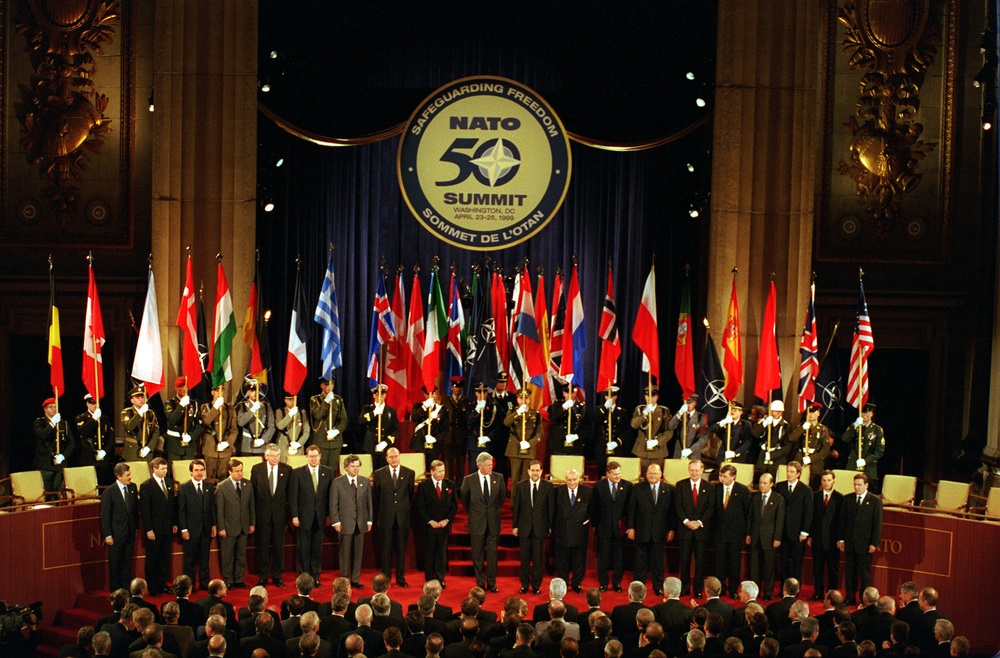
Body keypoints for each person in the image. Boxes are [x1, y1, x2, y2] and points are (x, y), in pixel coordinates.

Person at [460, 452, 506, 592]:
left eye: (491, 464)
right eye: (487, 465)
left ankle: (491, 583)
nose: (490, 467)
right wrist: (475, 513)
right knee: (477, 556)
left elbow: (501, 498)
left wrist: (491, 512)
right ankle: (480, 583)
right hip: (476, 523)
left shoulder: (499, 478)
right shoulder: (469, 480)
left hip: (493, 523)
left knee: (492, 556)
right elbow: (465, 499)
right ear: (479, 465)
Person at [627, 463, 675, 595]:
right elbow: (631, 510)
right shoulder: (637, 488)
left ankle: (658, 587)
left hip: (660, 532)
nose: (652, 475)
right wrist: (630, 527)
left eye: (655, 473)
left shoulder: (669, 490)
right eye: (650, 473)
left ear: (661, 474)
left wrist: (672, 529)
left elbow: (672, 513)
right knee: (639, 562)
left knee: (658, 563)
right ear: (645, 475)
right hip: (641, 531)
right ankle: (638, 589)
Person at [290, 444, 334, 585]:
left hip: (320, 518)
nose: (313, 459)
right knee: (303, 549)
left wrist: (329, 515)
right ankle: (304, 578)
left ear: (320, 456)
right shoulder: (297, 473)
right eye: (311, 456)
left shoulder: (328, 472)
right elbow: (293, 497)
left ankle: (315, 577)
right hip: (303, 518)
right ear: (306, 457)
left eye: (316, 456)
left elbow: (329, 497)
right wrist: (295, 516)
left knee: (317, 549)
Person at [838, 473, 883, 606]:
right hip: (850, 543)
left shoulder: (875, 501)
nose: (856, 487)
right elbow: (842, 522)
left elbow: (877, 524)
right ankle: (850, 598)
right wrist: (841, 539)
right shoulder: (848, 499)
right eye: (855, 484)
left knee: (864, 575)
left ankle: (866, 600)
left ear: (866, 485)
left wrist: (874, 543)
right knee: (850, 573)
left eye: (859, 485)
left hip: (865, 544)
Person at [372, 446, 415, 587]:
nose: (394, 459)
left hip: (402, 518)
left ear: (399, 456)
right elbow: (377, 497)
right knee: (386, 550)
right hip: (386, 518)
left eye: (396, 456)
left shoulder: (409, 473)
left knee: (401, 550)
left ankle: (401, 578)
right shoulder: (379, 474)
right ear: (386, 459)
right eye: (391, 457)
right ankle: (386, 580)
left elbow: (410, 494)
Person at [251, 442, 292, 587]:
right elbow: (253, 494)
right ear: (266, 456)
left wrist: (289, 516)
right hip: (262, 516)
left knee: (278, 547)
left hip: (280, 517)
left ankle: (277, 576)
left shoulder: (287, 470)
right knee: (262, 547)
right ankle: (263, 576)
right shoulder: (257, 470)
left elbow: (289, 495)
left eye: (278, 456)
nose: (276, 458)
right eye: (273, 456)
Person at [512, 459, 554, 595]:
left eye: (538, 470)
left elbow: (550, 509)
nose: (535, 473)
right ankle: (524, 584)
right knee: (524, 559)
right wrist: (515, 526)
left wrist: (549, 526)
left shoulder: (548, 486)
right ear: (528, 471)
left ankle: (536, 585)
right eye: (533, 470)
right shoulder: (520, 486)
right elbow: (516, 507)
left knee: (538, 559)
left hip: (540, 528)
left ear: (541, 472)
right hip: (524, 527)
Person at [330, 454, 373, 586]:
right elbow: (333, 504)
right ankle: (344, 580)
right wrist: (336, 521)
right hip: (344, 523)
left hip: (361, 523)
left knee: (358, 553)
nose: (355, 469)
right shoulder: (337, 482)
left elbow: (368, 503)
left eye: (357, 466)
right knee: (345, 553)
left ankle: (355, 580)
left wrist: (369, 520)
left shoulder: (365, 481)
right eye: (352, 466)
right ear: (346, 468)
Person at [415, 459, 458, 586]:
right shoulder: (424, 486)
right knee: (429, 553)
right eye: (439, 471)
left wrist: (447, 520)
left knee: (441, 553)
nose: (442, 473)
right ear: (432, 472)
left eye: (443, 470)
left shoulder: (450, 485)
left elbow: (454, 506)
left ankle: (440, 579)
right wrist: (430, 521)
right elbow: (420, 506)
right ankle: (429, 579)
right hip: (430, 526)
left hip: (444, 526)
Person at [591, 460, 632, 593]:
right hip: (603, 528)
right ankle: (603, 583)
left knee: (619, 558)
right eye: (615, 474)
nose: (618, 477)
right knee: (603, 558)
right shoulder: (598, 486)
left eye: (619, 474)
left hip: (620, 528)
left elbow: (629, 509)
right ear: (607, 474)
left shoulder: (627, 486)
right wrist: (594, 526)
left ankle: (617, 583)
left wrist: (629, 526)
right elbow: (594, 507)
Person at [675, 459, 713, 598]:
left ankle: (698, 589)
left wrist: (699, 522)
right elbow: (677, 506)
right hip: (685, 530)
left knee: (700, 562)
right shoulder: (680, 485)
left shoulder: (709, 487)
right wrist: (686, 521)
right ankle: (684, 588)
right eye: (692, 470)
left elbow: (711, 508)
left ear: (702, 470)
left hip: (701, 531)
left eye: (697, 470)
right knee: (684, 561)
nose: (694, 473)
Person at [176, 459, 216, 592]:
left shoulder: (209, 486)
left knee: (205, 560)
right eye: (196, 470)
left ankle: (205, 584)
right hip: (191, 530)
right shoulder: (184, 488)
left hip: (206, 529)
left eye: (201, 470)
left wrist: (213, 525)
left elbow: (212, 508)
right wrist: (184, 529)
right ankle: (189, 585)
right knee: (189, 561)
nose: (199, 473)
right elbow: (181, 511)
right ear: (191, 472)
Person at [139, 457, 177, 595]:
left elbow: (172, 505)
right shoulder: (146, 485)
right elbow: (145, 510)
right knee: (153, 559)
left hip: (167, 528)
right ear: (154, 469)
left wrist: (173, 523)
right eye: (162, 468)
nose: (165, 471)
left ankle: (162, 584)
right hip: (154, 529)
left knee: (164, 558)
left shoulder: (168, 482)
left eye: (166, 468)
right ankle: (153, 587)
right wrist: (149, 529)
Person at [714, 464, 751, 598]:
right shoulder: (716, 488)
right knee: (719, 563)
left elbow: (747, 513)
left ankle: (733, 589)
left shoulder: (742, 490)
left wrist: (746, 532)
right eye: (721, 475)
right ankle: (720, 588)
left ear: (733, 477)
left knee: (734, 562)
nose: (722, 478)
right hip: (719, 532)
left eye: (725, 476)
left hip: (736, 533)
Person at [216, 458, 255, 588]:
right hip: (228, 527)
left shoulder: (247, 484)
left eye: (241, 471)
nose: (240, 473)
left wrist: (252, 523)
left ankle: (239, 579)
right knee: (227, 556)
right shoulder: (222, 487)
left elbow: (251, 507)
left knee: (241, 555)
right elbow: (219, 510)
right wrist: (221, 527)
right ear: (229, 472)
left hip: (244, 526)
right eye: (237, 471)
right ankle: (228, 580)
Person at [101, 462, 140, 591]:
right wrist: (108, 535)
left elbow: (134, 511)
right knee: (115, 565)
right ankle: (116, 592)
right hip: (115, 535)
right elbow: (105, 516)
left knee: (127, 564)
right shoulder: (109, 492)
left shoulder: (132, 488)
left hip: (129, 533)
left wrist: (135, 529)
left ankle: (126, 590)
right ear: (119, 476)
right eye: (127, 475)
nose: (130, 477)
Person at [554, 468, 593, 593]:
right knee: (562, 560)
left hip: (579, 531)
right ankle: (563, 584)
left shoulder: (587, 492)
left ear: (579, 479)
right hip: (562, 531)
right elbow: (553, 512)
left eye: (574, 479)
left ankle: (576, 583)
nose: (572, 482)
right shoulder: (557, 492)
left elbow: (592, 511)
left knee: (579, 560)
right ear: (565, 480)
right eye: (569, 480)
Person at [774, 461, 813, 586]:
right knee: (784, 562)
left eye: (792, 472)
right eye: (788, 471)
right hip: (782, 531)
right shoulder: (779, 487)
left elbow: (808, 512)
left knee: (796, 563)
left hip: (797, 533)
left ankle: (795, 589)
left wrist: (804, 532)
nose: (789, 474)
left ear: (798, 474)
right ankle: (784, 589)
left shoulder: (806, 490)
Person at [747, 472, 784, 600]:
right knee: (755, 567)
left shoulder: (778, 499)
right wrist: (748, 534)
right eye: (760, 483)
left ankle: (768, 593)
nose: (762, 486)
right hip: (755, 536)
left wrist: (777, 538)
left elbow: (780, 520)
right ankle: (754, 592)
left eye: (765, 483)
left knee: (769, 567)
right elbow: (750, 517)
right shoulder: (755, 497)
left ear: (771, 484)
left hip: (770, 538)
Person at [808, 470, 842, 601]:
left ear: (833, 480)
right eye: (824, 480)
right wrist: (810, 535)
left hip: (833, 541)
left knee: (833, 569)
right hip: (817, 539)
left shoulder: (840, 498)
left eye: (829, 480)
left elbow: (841, 521)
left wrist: (840, 539)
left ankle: (831, 594)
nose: (826, 483)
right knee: (817, 568)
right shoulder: (815, 496)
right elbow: (812, 517)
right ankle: (818, 592)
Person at [34, 395, 76, 493]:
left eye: (55, 407)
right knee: (46, 492)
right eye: (50, 407)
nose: (53, 409)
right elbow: (43, 435)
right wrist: (52, 423)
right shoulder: (39, 422)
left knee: (59, 493)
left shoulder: (63, 423)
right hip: (45, 464)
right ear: (45, 409)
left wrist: (63, 456)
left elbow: (71, 443)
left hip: (59, 464)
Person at [842, 403, 885, 492]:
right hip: (853, 464)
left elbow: (879, 451)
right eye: (863, 413)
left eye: (867, 413)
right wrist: (854, 426)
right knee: (849, 491)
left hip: (869, 468)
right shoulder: (855, 426)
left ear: (871, 414)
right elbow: (844, 439)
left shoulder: (877, 430)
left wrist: (866, 461)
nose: (864, 415)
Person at [630, 387, 672, 474]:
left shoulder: (664, 411)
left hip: (658, 451)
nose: (650, 399)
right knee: (641, 477)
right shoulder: (640, 409)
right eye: (647, 396)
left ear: (657, 397)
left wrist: (657, 441)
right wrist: (644, 413)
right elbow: (634, 425)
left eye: (653, 396)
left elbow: (669, 431)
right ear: (645, 397)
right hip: (641, 450)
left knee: (655, 477)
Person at [310, 376, 348, 473]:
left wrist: (336, 431)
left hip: (335, 442)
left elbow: (344, 420)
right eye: (326, 384)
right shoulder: (315, 399)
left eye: (331, 384)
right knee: (321, 470)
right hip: (321, 441)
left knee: (332, 470)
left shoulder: (338, 400)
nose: (328, 387)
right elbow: (317, 415)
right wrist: (326, 401)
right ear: (321, 385)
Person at [787, 402, 831, 484]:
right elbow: (791, 438)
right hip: (801, 459)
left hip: (815, 463)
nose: (811, 414)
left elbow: (825, 450)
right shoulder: (802, 426)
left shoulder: (823, 429)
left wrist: (811, 458)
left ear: (818, 413)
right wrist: (802, 428)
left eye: (813, 412)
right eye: (809, 412)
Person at [505, 388, 542, 484]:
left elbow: (539, 433)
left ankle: (525, 499)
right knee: (515, 479)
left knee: (526, 479)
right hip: (515, 449)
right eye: (521, 398)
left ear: (529, 399)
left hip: (529, 450)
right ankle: (515, 499)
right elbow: (506, 423)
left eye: (526, 398)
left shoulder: (536, 414)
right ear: (517, 399)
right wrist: (517, 413)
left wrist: (530, 444)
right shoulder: (513, 411)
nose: (524, 401)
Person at [199, 384, 236, 480]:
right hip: (210, 448)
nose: (219, 393)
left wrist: (227, 443)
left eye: (221, 391)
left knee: (223, 478)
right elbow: (206, 421)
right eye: (216, 391)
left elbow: (234, 430)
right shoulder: (205, 407)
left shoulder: (230, 408)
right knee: (209, 478)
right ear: (212, 393)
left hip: (225, 450)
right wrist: (215, 407)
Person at [360, 384, 401, 472]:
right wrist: (374, 413)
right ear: (374, 395)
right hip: (370, 446)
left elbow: (395, 429)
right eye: (377, 394)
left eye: (382, 394)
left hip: (385, 448)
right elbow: (361, 420)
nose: (380, 396)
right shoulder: (368, 408)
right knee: (369, 472)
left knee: (384, 473)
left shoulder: (391, 411)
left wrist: (386, 442)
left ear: (385, 395)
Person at [74, 393, 114, 479]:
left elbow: (111, 438)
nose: (95, 405)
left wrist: (105, 451)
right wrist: (94, 419)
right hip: (88, 458)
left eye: (97, 403)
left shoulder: (104, 418)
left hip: (103, 458)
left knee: (102, 483)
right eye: (92, 403)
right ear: (87, 404)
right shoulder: (81, 418)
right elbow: (83, 431)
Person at [164, 376, 202, 464]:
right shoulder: (170, 403)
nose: (183, 389)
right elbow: (172, 419)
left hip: (189, 445)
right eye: (180, 386)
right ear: (176, 388)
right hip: (174, 444)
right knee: (174, 472)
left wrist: (191, 437)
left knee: (188, 471)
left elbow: (198, 424)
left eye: (185, 386)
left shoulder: (193, 403)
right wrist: (181, 406)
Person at [442, 375, 472, 480]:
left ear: (462, 388)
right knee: (448, 462)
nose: (457, 389)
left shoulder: (467, 401)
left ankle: (459, 486)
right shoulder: (445, 401)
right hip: (449, 435)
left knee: (460, 462)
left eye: (459, 387)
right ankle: (449, 484)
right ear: (451, 388)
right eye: (455, 386)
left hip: (462, 435)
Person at [593, 385, 629, 475]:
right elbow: (596, 422)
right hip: (602, 448)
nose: (610, 398)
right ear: (605, 396)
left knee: (616, 473)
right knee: (602, 474)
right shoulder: (599, 410)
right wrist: (605, 408)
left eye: (612, 395)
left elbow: (626, 431)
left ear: (616, 397)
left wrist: (616, 442)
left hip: (616, 448)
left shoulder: (622, 412)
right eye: (608, 395)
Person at [751, 401, 791, 478]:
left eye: (776, 411)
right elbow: (755, 433)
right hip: (764, 455)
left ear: (781, 412)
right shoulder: (766, 422)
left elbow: (787, 447)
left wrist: (772, 455)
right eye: (772, 411)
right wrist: (764, 424)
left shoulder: (786, 427)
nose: (774, 413)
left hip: (777, 458)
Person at [411, 388, 447, 472]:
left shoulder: (441, 409)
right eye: (427, 393)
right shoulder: (418, 406)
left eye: (432, 393)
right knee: (420, 470)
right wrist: (424, 407)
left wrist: (435, 438)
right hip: (420, 443)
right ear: (424, 393)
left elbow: (445, 429)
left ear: (435, 394)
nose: (430, 395)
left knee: (433, 470)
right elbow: (414, 418)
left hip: (434, 445)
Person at [236, 379, 275, 458]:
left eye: (256, 390)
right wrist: (252, 410)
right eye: (252, 391)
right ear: (247, 392)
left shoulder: (266, 406)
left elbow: (271, 426)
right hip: (247, 445)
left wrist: (263, 440)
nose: (255, 393)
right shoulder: (242, 406)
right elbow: (241, 422)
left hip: (262, 446)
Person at [121, 385, 158, 462]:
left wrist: (149, 447)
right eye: (138, 398)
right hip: (133, 451)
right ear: (132, 400)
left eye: (143, 397)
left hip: (147, 450)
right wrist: (140, 413)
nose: (141, 400)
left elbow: (156, 431)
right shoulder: (127, 412)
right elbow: (129, 426)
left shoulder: (150, 413)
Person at [549, 384, 588, 456]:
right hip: (560, 443)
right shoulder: (558, 404)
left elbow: (586, 426)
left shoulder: (581, 407)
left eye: (572, 392)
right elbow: (552, 418)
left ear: (575, 393)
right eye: (567, 393)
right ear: (563, 393)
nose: (570, 395)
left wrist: (577, 436)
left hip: (575, 445)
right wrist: (563, 408)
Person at [667, 395, 707, 460]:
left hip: (693, 454)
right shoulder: (680, 415)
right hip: (679, 451)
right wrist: (680, 413)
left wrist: (691, 450)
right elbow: (670, 427)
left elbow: (703, 438)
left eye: (690, 403)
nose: (688, 405)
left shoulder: (701, 418)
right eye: (686, 403)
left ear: (695, 403)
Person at [276, 391, 311, 462]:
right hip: (284, 447)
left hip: (298, 448)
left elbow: (306, 431)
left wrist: (299, 443)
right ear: (285, 400)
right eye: (290, 400)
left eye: (294, 399)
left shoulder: (302, 412)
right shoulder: (280, 412)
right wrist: (290, 415)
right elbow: (280, 426)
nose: (292, 402)